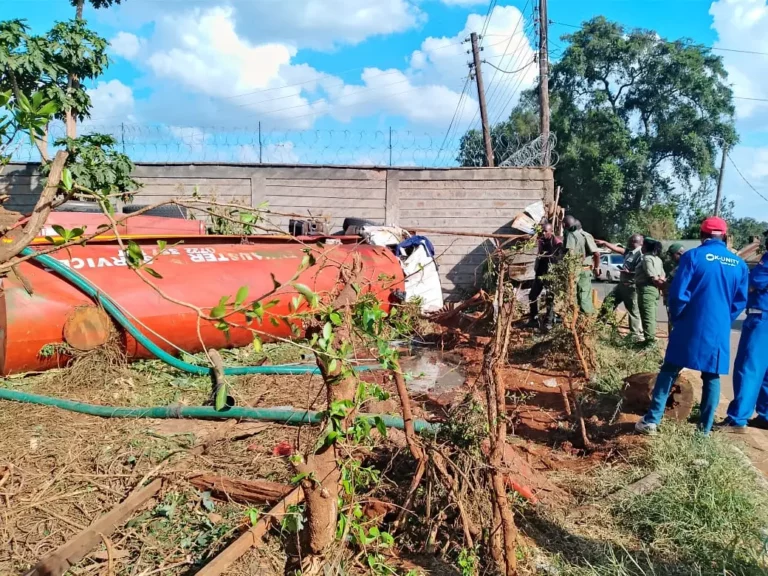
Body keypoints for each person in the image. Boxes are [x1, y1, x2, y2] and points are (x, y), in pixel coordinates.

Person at [636, 217, 748, 435]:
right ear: (724, 236)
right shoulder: (739, 265)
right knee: (712, 376)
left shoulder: (693, 256)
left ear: (702, 235)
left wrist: (678, 319)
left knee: (669, 370)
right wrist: (725, 319)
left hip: (690, 322)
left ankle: (652, 420)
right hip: (718, 328)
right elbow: (740, 301)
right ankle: (703, 431)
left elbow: (678, 294)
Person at [722, 233, 768, 432]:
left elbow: (754, 282)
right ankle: (765, 416)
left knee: (748, 367)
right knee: (765, 372)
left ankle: (737, 418)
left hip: (762, 317)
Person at [597, 234, 644, 340]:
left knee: (633, 311)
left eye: (631, 241)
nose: (629, 243)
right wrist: (605, 243)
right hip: (622, 285)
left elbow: (643, 270)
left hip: (631, 286)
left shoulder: (640, 254)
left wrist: (630, 272)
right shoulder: (630, 252)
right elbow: (620, 250)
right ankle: (598, 326)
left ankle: (636, 336)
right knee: (609, 301)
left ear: (637, 242)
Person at [527, 222, 563, 330]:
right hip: (540, 273)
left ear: (551, 231)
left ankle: (549, 321)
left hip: (550, 275)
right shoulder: (540, 241)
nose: (543, 233)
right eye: (542, 231)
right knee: (532, 295)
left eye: (545, 231)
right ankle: (533, 319)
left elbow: (560, 259)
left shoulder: (557, 243)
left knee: (549, 298)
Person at [563, 215, 601, 315]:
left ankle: (586, 321)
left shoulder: (585, 235)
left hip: (584, 269)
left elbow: (596, 253)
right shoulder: (572, 235)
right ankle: (578, 319)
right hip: (578, 269)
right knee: (575, 296)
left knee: (583, 296)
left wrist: (597, 268)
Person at [634, 238, 666, 345]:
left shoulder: (647, 258)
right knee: (651, 315)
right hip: (654, 290)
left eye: (643, 246)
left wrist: (659, 284)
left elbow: (652, 276)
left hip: (647, 289)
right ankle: (648, 339)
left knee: (647, 316)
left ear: (646, 247)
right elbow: (662, 276)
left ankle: (650, 342)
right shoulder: (658, 259)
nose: (641, 248)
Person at [663, 243, 686, 332]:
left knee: (674, 323)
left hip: (677, 301)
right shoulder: (679, 265)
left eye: (672, 255)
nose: (672, 258)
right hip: (674, 299)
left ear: (679, 253)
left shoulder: (683, 266)